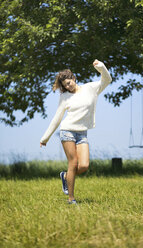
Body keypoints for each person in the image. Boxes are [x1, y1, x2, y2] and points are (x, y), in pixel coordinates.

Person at [40, 59, 112, 204]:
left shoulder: (90, 88)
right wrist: (45, 138)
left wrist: (101, 67)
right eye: (65, 85)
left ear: (74, 78)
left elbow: (107, 79)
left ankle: (66, 176)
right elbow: (57, 118)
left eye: (69, 83)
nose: (68, 86)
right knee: (73, 163)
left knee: (84, 165)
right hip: (67, 131)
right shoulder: (65, 97)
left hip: (82, 133)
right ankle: (71, 199)